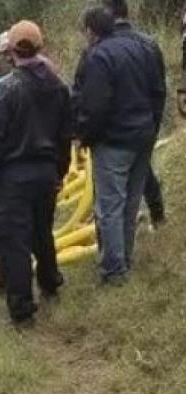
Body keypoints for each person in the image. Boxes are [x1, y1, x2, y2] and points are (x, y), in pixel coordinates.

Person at [0, 20, 72, 325]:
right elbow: (65, 136)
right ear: (40, 46)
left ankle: (22, 310)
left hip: (13, 177)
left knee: (16, 242)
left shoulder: (7, 89)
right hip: (47, 172)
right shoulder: (59, 87)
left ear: (10, 50)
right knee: (42, 232)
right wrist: (60, 172)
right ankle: (50, 283)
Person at [75, 6, 166, 284]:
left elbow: (96, 106)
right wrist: (152, 128)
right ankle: (124, 259)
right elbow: (158, 92)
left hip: (114, 141)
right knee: (130, 203)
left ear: (91, 31)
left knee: (110, 207)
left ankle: (114, 270)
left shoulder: (98, 56)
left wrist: (86, 137)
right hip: (143, 136)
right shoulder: (145, 46)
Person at [101, 0, 167, 228]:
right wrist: (154, 124)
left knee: (118, 188)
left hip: (116, 130)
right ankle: (156, 213)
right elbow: (159, 90)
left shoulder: (103, 47)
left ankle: (118, 246)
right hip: (145, 123)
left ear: (107, 13)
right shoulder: (150, 44)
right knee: (142, 168)